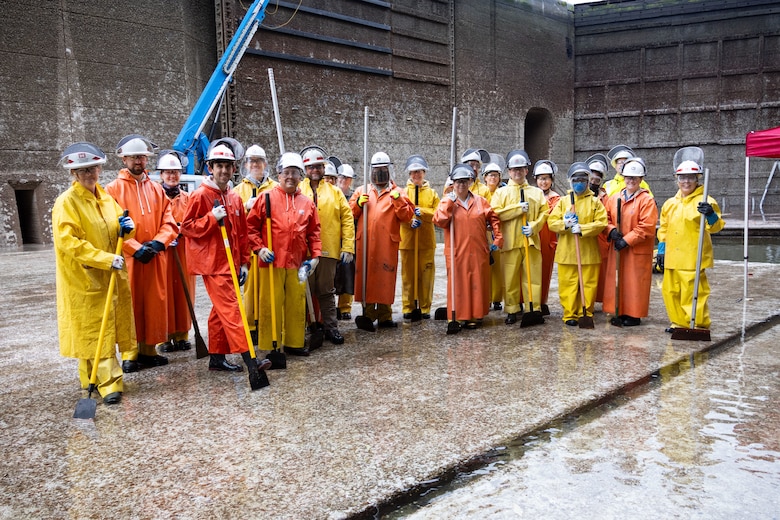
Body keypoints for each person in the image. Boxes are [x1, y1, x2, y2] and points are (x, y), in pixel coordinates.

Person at [180, 144, 271, 388]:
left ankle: (217, 357)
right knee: (233, 311)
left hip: (231, 263)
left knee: (220, 311)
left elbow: (241, 233)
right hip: (213, 264)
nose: (223, 170)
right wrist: (212, 219)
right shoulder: (200, 195)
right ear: (210, 168)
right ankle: (251, 361)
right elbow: (187, 227)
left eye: (227, 166)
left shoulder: (233, 197)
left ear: (233, 169)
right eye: (218, 166)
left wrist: (243, 263)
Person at [53, 142, 136, 405]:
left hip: (109, 274)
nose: (89, 174)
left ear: (99, 168)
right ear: (73, 174)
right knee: (93, 330)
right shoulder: (67, 202)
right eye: (83, 170)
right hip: (85, 279)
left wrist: (128, 229)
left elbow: (115, 231)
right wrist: (104, 259)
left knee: (101, 329)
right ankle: (109, 383)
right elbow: (69, 243)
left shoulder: (106, 198)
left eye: (92, 168)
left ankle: (90, 378)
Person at [105, 134, 178, 372]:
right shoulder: (112, 190)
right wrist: (135, 248)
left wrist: (159, 243)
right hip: (130, 259)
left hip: (155, 257)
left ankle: (149, 350)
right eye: (135, 157)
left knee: (155, 303)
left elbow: (170, 220)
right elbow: (111, 226)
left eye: (143, 157)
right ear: (124, 159)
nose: (139, 161)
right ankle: (129, 354)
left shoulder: (157, 189)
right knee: (131, 305)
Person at [247, 152, 322, 355]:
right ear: (279, 174)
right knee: (270, 304)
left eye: (295, 173)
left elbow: (314, 232)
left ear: (300, 177)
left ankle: (294, 343)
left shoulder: (307, 203)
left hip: (297, 263)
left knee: (296, 303)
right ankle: (270, 344)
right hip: (271, 262)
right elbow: (251, 227)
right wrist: (259, 248)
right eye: (286, 172)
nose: (290, 176)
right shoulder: (267, 198)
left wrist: (314, 258)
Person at [349, 151, 415, 331]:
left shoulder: (398, 192)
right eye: (376, 169)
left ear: (389, 170)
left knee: (385, 276)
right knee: (367, 276)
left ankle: (385, 314)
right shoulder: (362, 190)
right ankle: (368, 313)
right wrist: (357, 204)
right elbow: (349, 214)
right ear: (370, 170)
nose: (379, 173)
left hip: (387, 243)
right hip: (366, 243)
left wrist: (398, 201)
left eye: (383, 169)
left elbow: (407, 216)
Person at [657, 158, 724, 332]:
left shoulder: (705, 201)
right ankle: (678, 323)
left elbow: (716, 227)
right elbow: (663, 228)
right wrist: (661, 250)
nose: (686, 181)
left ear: (697, 179)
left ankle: (698, 324)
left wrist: (710, 214)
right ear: (676, 180)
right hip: (673, 256)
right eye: (682, 178)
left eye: (690, 177)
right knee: (670, 292)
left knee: (694, 294)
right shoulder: (670, 204)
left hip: (692, 257)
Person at [433, 164, 503, 330]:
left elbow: (494, 219)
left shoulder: (480, 201)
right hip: (457, 250)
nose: (461, 185)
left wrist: (497, 238)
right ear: (453, 183)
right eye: (457, 182)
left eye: (464, 181)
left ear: (470, 182)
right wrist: (448, 204)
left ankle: (476, 315)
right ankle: (458, 315)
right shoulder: (447, 201)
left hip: (478, 250)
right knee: (458, 283)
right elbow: (439, 221)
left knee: (477, 282)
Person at [299, 146, 354, 345]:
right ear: (305, 168)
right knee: (302, 291)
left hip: (328, 249)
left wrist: (347, 246)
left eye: (318, 166)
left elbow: (347, 219)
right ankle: (305, 329)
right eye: (311, 166)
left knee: (326, 291)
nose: (315, 170)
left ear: (324, 168)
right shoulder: (298, 189)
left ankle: (331, 328)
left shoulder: (335, 192)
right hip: (303, 252)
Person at [489, 149, 549, 324]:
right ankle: (512, 309)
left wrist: (534, 226)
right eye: (514, 169)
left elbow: (545, 213)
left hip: (530, 241)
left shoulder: (536, 192)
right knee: (510, 278)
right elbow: (495, 214)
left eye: (520, 169)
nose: (517, 172)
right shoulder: (501, 193)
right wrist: (516, 209)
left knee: (533, 277)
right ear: (509, 171)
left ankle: (533, 308)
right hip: (510, 242)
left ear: (526, 171)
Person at [547, 162, 608, 325]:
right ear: (570, 181)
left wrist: (582, 228)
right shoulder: (564, 201)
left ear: (588, 181)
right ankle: (569, 315)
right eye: (576, 180)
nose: (579, 183)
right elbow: (552, 222)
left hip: (588, 252)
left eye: (582, 180)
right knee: (568, 285)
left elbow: (602, 223)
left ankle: (586, 312)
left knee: (588, 285)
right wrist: (565, 224)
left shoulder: (595, 202)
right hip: (567, 252)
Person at [602, 157, 659, 326]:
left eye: (634, 178)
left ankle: (634, 314)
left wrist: (627, 240)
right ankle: (618, 310)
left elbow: (647, 226)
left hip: (635, 249)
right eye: (628, 177)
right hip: (618, 248)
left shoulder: (646, 200)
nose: (630, 181)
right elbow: (604, 217)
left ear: (641, 179)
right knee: (617, 279)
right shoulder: (614, 198)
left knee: (635, 282)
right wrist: (611, 230)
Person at [232, 144, 277, 344]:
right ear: (246, 164)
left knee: (269, 289)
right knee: (249, 292)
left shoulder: (274, 188)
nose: (255, 164)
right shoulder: (238, 190)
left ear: (265, 163)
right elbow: (231, 214)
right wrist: (244, 206)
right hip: (248, 249)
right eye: (252, 161)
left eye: (259, 161)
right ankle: (250, 327)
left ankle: (268, 324)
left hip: (268, 248)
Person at [157, 150, 194, 352]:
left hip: (183, 252)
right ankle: (165, 336)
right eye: (168, 172)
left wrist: (182, 232)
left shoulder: (188, 198)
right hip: (164, 253)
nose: (172, 176)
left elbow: (193, 222)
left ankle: (182, 334)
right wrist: (165, 237)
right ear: (161, 174)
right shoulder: (156, 197)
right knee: (165, 294)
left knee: (183, 293)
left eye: (175, 172)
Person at [399, 154, 440, 320]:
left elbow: (438, 214)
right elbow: (399, 213)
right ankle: (408, 307)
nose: (416, 175)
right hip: (408, 241)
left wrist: (422, 212)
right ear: (409, 174)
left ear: (424, 173)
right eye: (413, 172)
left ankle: (425, 307)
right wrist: (410, 221)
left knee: (426, 275)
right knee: (408, 276)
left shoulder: (432, 193)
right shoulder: (402, 193)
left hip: (426, 241)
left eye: (419, 172)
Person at [533, 160, 561, 316]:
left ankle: (542, 301)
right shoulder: (531, 194)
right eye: (540, 178)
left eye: (546, 178)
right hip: (532, 235)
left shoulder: (556, 199)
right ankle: (529, 300)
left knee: (544, 271)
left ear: (551, 180)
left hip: (547, 238)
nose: (543, 182)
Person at [586, 153, 611, 307]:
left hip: (601, 240)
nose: (593, 182)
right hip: (584, 237)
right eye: (591, 179)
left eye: (597, 180)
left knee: (601, 273)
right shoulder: (578, 195)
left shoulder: (606, 197)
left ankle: (597, 300)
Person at [482, 162, 506, 311]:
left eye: (496, 175)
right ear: (485, 177)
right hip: (483, 232)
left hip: (497, 232)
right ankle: (486, 297)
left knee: (498, 266)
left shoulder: (503, 192)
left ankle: (497, 298)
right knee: (485, 267)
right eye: (490, 175)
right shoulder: (481, 192)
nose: (493, 178)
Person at [335, 163, 356, 320]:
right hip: (333, 241)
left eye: (347, 178)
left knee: (347, 276)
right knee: (331, 276)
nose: (344, 180)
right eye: (342, 177)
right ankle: (330, 307)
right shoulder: (332, 194)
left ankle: (345, 307)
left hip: (349, 242)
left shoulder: (355, 196)